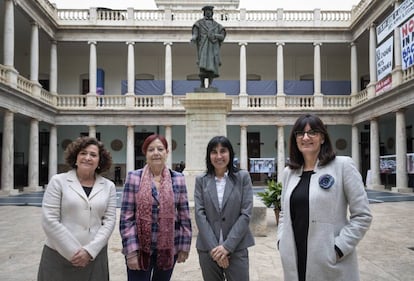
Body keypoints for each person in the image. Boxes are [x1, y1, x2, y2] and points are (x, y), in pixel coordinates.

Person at [277, 114, 373, 281]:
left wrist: (338, 249)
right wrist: (281, 241)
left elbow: (362, 215)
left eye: (312, 132)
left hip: (329, 260)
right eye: (300, 133)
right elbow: (284, 213)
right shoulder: (289, 173)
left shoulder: (342, 166)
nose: (305, 137)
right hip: (294, 256)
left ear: (322, 137)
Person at [37, 136, 117, 281]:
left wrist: (89, 251)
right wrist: (74, 252)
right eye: (83, 153)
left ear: (100, 161)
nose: (87, 157)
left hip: (94, 257)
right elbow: (49, 220)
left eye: (93, 155)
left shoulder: (108, 186)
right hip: (58, 256)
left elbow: (109, 221)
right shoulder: (58, 181)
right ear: (75, 157)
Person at [120, 134, 192, 281]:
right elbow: (126, 218)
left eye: (160, 149)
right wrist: (131, 252)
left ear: (167, 152)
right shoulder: (134, 177)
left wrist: (184, 246)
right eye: (151, 149)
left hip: (168, 249)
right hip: (139, 249)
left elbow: (184, 215)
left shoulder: (177, 178)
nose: (156, 153)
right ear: (145, 153)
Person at [194, 136, 255, 281]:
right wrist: (215, 250)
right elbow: (199, 214)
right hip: (208, 249)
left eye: (223, 151)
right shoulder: (201, 180)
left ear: (230, 153)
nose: (219, 156)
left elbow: (246, 214)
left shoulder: (242, 177)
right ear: (209, 156)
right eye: (214, 152)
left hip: (237, 246)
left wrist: (227, 247)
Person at [191, 5, 226, 88]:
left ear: (212, 13)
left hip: (213, 48)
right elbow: (195, 34)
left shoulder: (217, 26)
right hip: (203, 46)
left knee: (212, 67)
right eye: (206, 11)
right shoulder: (199, 23)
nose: (208, 12)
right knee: (202, 67)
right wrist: (193, 38)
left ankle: (210, 84)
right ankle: (202, 84)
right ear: (204, 13)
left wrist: (215, 35)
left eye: (210, 11)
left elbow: (222, 36)